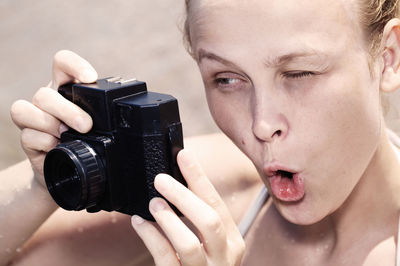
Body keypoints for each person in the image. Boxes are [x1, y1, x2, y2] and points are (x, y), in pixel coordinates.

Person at [3, 0, 400, 265]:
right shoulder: (206, 190)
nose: (261, 123)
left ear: (388, 58)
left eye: (299, 73)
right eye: (227, 79)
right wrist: (43, 188)